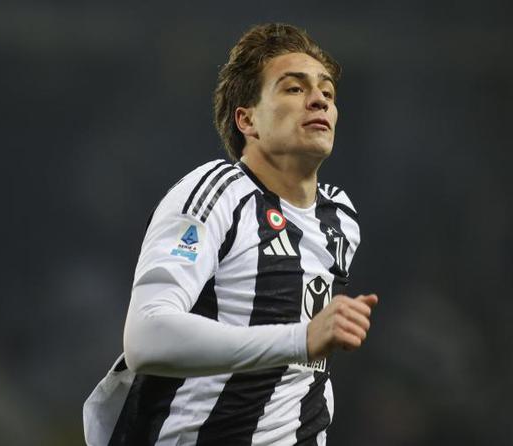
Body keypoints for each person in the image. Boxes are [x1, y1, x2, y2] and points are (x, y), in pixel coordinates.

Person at [83, 23, 378, 446]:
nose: (319, 100)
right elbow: (146, 337)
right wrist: (299, 339)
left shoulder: (340, 216)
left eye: (327, 93)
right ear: (247, 119)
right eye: (294, 88)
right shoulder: (217, 193)